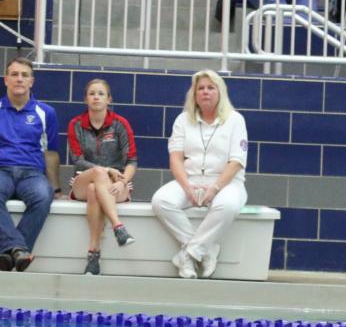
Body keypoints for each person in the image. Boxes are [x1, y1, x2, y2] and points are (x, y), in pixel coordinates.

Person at [150, 70, 249, 280]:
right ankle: (207, 250)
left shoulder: (235, 120)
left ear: (220, 92)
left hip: (227, 183)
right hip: (191, 179)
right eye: (201, 88)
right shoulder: (183, 119)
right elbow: (175, 159)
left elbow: (236, 162)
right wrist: (188, 188)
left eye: (211, 88)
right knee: (161, 201)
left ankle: (188, 254)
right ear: (194, 94)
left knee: (228, 205)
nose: (205, 92)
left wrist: (214, 189)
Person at [0, 57, 60, 272]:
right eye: (14, 74)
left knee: (43, 196)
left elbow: (51, 154)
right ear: (6, 80)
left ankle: (11, 252)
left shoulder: (46, 113)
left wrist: (55, 189)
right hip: (0, 170)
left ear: (32, 82)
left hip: (32, 173)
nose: (19, 79)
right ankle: (20, 251)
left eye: (24, 75)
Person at [66, 78, 138, 275]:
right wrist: (107, 170)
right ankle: (118, 226)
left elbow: (132, 160)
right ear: (86, 99)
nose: (96, 97)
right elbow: (78, 160)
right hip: (83, 178)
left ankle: (93, 255)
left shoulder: (120, 124)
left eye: (101, 94)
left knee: (94, 190)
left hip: (116, 184)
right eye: (92, 94)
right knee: (96, 176)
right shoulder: (76, 124)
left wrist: (123, 181)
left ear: (109, 99)